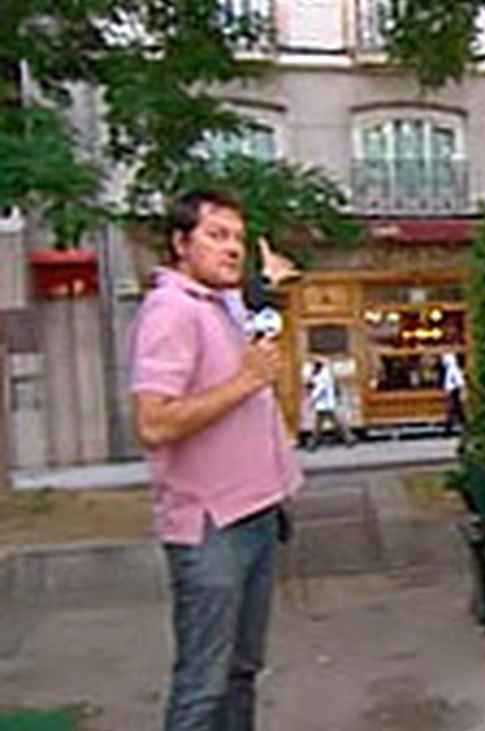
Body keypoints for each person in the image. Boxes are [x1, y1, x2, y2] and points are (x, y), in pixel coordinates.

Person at [131, 188, 302, 731]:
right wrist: (247, 380)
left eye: (238, 238)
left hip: (256, 514)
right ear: (181, 244)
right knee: (204, 685)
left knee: (240, 672)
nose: (232, 249)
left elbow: (252, 301)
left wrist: (269, 283)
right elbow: (154, 424)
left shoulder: (220, 304)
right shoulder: (172, 311)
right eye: (216, 236)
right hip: (212, 525)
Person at [306, 359, 353, 449]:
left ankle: (313, 442)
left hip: (324, 404)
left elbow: (320, 389)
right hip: (325, 404)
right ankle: (348, 438)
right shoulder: (323, 374)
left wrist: (313, 399)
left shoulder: (323, 376)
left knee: (322, 424)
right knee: (331, 422)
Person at [441, 352, 466, 434]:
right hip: (453, 391)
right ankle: (459, 425)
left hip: (454, 391)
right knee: (456, 410)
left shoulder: (453, 369)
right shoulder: (450, 369)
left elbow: (459, 381)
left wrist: (460, 391)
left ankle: (448, 428)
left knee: (452, 409)